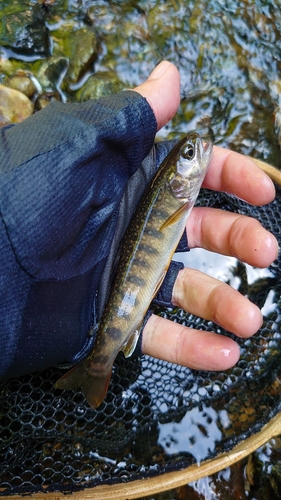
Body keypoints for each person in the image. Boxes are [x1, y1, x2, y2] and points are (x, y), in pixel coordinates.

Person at [0, 61, 278, 381]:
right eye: (189, 155)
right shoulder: (176, 197)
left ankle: (96, 366)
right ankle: (98, 366)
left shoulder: (179, 197)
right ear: (177, 181)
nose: (198, 149)